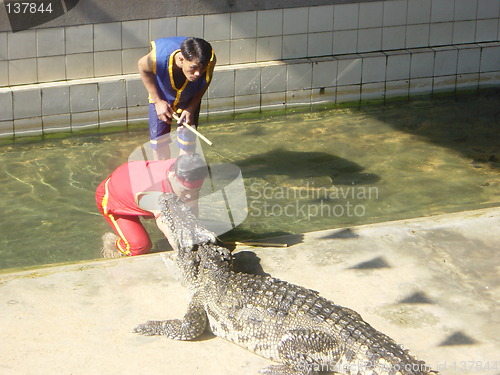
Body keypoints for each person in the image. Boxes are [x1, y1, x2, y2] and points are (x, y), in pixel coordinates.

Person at [95, 153, 208, 258]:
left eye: (196, 190)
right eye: (185, 190)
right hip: (113, 196)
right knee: (139, 247)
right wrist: (188, 256)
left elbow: (192, 207)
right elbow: (170, 231)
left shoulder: (187, 168)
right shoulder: (155, 194)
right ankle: (113, 242)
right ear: (173, 175)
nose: (190, 196)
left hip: (131, 179)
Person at [138, 36, 216, 158]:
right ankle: (162, 170)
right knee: (159, 141)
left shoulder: (209, 59)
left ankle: (184, 172)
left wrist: (191, 108)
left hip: (189, 95)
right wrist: (158, 102)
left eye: (202, 69)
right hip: (162, 95)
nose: (198, 73)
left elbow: (205, 82)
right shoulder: (156, 58)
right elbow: (142, 68)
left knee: (188, 141)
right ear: (181, 59)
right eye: (193, 68)